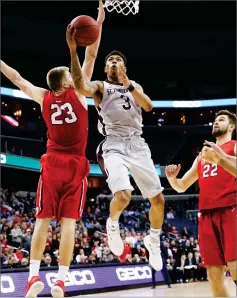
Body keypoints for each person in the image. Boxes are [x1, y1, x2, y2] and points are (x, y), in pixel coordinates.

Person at [1, 2, 105, 297]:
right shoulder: (79, 92)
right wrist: (98, 21)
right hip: (75, 165)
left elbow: (17, 77)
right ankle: (60, 280)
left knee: (42, 220)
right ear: (67, 81)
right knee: (69, 223)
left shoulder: (44, 96)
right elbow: (92, 53)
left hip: (51, 163)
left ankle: (33, 277)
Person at [66, 26, 165, 271]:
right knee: (123, 195)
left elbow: (149, 106)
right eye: (110, 60)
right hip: (113, 145)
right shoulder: (100, 87)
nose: (113, 62)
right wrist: (72, 51)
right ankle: (112, 225)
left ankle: (153, 240)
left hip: (138, 144)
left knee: (159, 200)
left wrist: (129, 85)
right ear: (105, 68)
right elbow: (80, 86)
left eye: (117, 60)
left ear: (124, 68)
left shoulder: (135, 86)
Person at [165, 110, 236, 296]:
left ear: (231, 127)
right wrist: (173, 180)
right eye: (214, 120)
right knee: (214, 279)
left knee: (235, 268)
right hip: (206, 216)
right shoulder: (203, 155)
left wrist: (221, 159)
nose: (215, 122)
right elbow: (182, 186)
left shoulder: (234, 146)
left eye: (221, 120)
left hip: (231, 210)